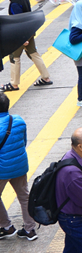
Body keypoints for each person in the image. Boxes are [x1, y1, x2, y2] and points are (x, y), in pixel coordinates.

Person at [0, 93, 37, 241]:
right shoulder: (18, 120)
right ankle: (30, 229)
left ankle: (6, 226)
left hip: (2, 170)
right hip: (20, 166)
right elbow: (23, 141)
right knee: (24, 197)